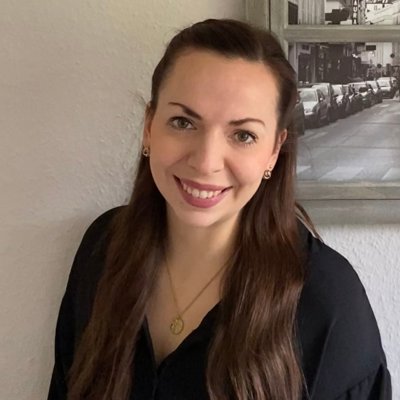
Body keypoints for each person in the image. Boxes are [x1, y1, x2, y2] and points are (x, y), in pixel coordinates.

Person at [47, 19, 391, 400]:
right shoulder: (102, 248)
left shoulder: (329, 305)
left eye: (243, 135)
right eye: (183, 122)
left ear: (273, 151)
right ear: (149, 127)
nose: (206, 162)